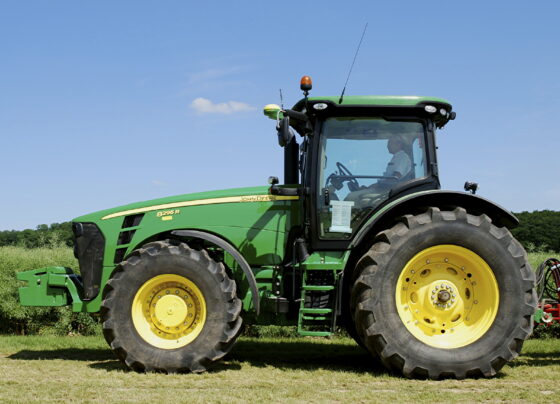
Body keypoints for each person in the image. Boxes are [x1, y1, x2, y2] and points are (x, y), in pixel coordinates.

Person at [344, 135, 412, 205]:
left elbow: (394, 179)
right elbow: (386, 181)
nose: (387, 146)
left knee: (350, 197)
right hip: (383, 189)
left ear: (399, 144)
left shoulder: (402, 157)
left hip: (387, 191)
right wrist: (368, 188)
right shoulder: (396, 157)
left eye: (390, 143)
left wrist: (373, 187)